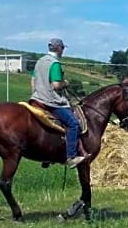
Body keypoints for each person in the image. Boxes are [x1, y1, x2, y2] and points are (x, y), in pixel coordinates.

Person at [31, 37, 86, 168]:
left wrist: (36, 93)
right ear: (58, 48)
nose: (63, 51)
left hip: (36, 99)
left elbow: (33, 80)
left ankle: (48, 154)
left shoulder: (40, 61)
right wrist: (65, 83)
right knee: (73, 123)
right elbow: (56, 85)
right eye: (62, 48)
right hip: (52, 101)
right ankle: (71, 157)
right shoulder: (54, 64)